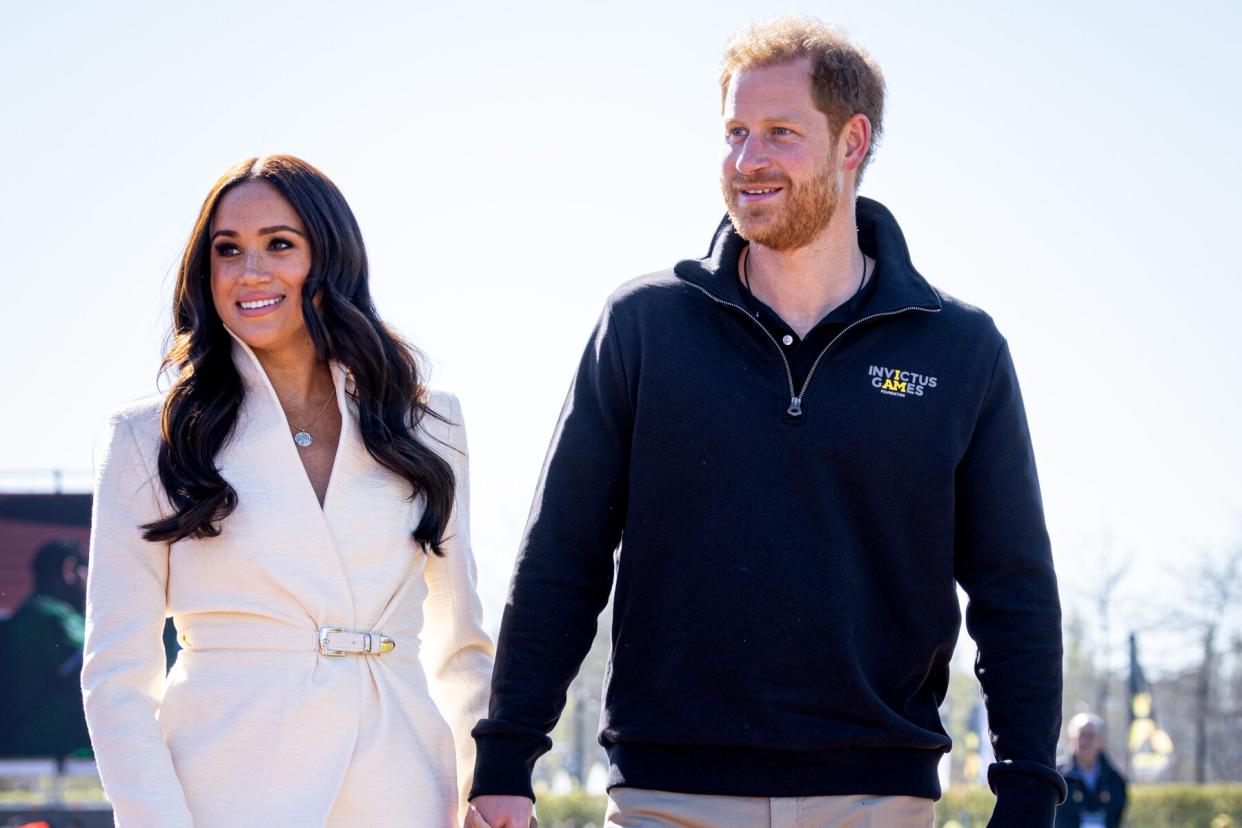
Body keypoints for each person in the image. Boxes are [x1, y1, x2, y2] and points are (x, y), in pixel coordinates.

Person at [466, 18, 1064, 828]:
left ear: (852, 142)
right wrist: (506, 754)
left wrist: (1027, 785)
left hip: (876, 798)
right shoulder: (646, 326)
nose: (748, 161)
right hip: (665, 796)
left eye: (780, 133)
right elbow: (561, 555)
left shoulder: (960, 349)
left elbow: (1013, 589)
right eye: (735, 133)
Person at [82, 155, 493, 827]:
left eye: (280, 244)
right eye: (228, 250)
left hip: (399, 791)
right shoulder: (145, 440)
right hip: (227, 795)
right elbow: (116, 681)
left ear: (329, 256)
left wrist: (483, 788)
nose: (250, 272)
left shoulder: (429, 423)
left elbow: (460, 645)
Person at [0, 538, 92, 757]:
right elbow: (92, 671)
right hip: (58, 750)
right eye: (85, 571)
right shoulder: (52, 616)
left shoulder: (27, 614)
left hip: (29, 746)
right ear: (68, 569)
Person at [1056, 714, 1127, 828]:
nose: (1085, 741)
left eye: (1091, 736)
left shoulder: (1115, 779)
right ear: (1071, 739)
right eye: (1081, 735)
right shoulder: (1058, 776)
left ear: (1102, 741)